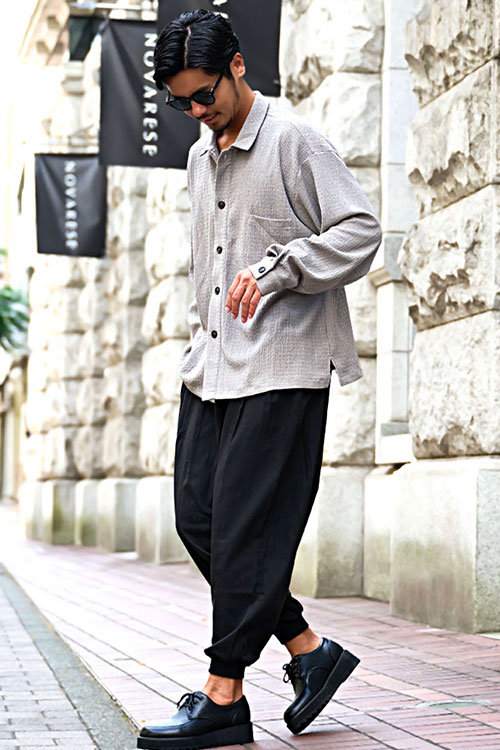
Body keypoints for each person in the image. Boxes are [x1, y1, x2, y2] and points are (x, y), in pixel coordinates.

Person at [138, 8, 382, 750]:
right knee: (198, 520)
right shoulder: (199, 156)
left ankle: (225, 696)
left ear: (238, 66)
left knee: (246, 533)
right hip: (212, 365)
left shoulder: (294, 141)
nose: (196, 111)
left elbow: (360, 230)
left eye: (204, 94)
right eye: (180, 101)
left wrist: (281, 268)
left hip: (282, 365)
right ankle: (308, 650)